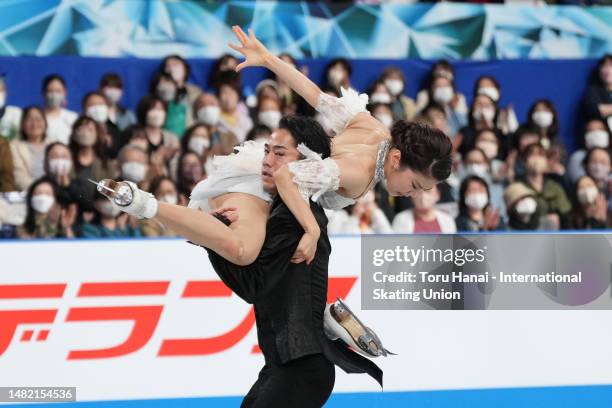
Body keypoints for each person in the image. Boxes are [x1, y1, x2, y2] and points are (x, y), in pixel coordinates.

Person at [97, 116, 385, 407]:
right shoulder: (281, 211)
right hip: (282, 366)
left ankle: (145, 204)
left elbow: (252, 284)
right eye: (267, 150)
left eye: (280, 153)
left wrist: (211, 239)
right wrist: (213, 235)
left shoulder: (296, 217)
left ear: (307, 163)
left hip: (301, 367)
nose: (268, 160)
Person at [227, 26, 452, 260]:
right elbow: (284, 176)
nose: (413, 194)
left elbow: (315, 94)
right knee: (244, 257)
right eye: (415, 185)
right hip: (266, 192)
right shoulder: (359, 172)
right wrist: (311, 230)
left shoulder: (375, 128)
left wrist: (267, 59)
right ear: (396, 159)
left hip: (278, 193)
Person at [10, 106, 48, 191]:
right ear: (22, 125)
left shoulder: (55, 145)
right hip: (28, 193)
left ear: (45, 123)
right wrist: (40, 190)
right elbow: (19, 176)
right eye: (29, 120)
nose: (34, 124)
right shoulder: (14, 146)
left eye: (38, 119)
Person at [42, 74, 78, 145]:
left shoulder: (73, 117)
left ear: (65, 93)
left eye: (58, 91)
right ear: (43, 93)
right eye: (50, 91)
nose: (54, 95)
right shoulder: (38, 118)